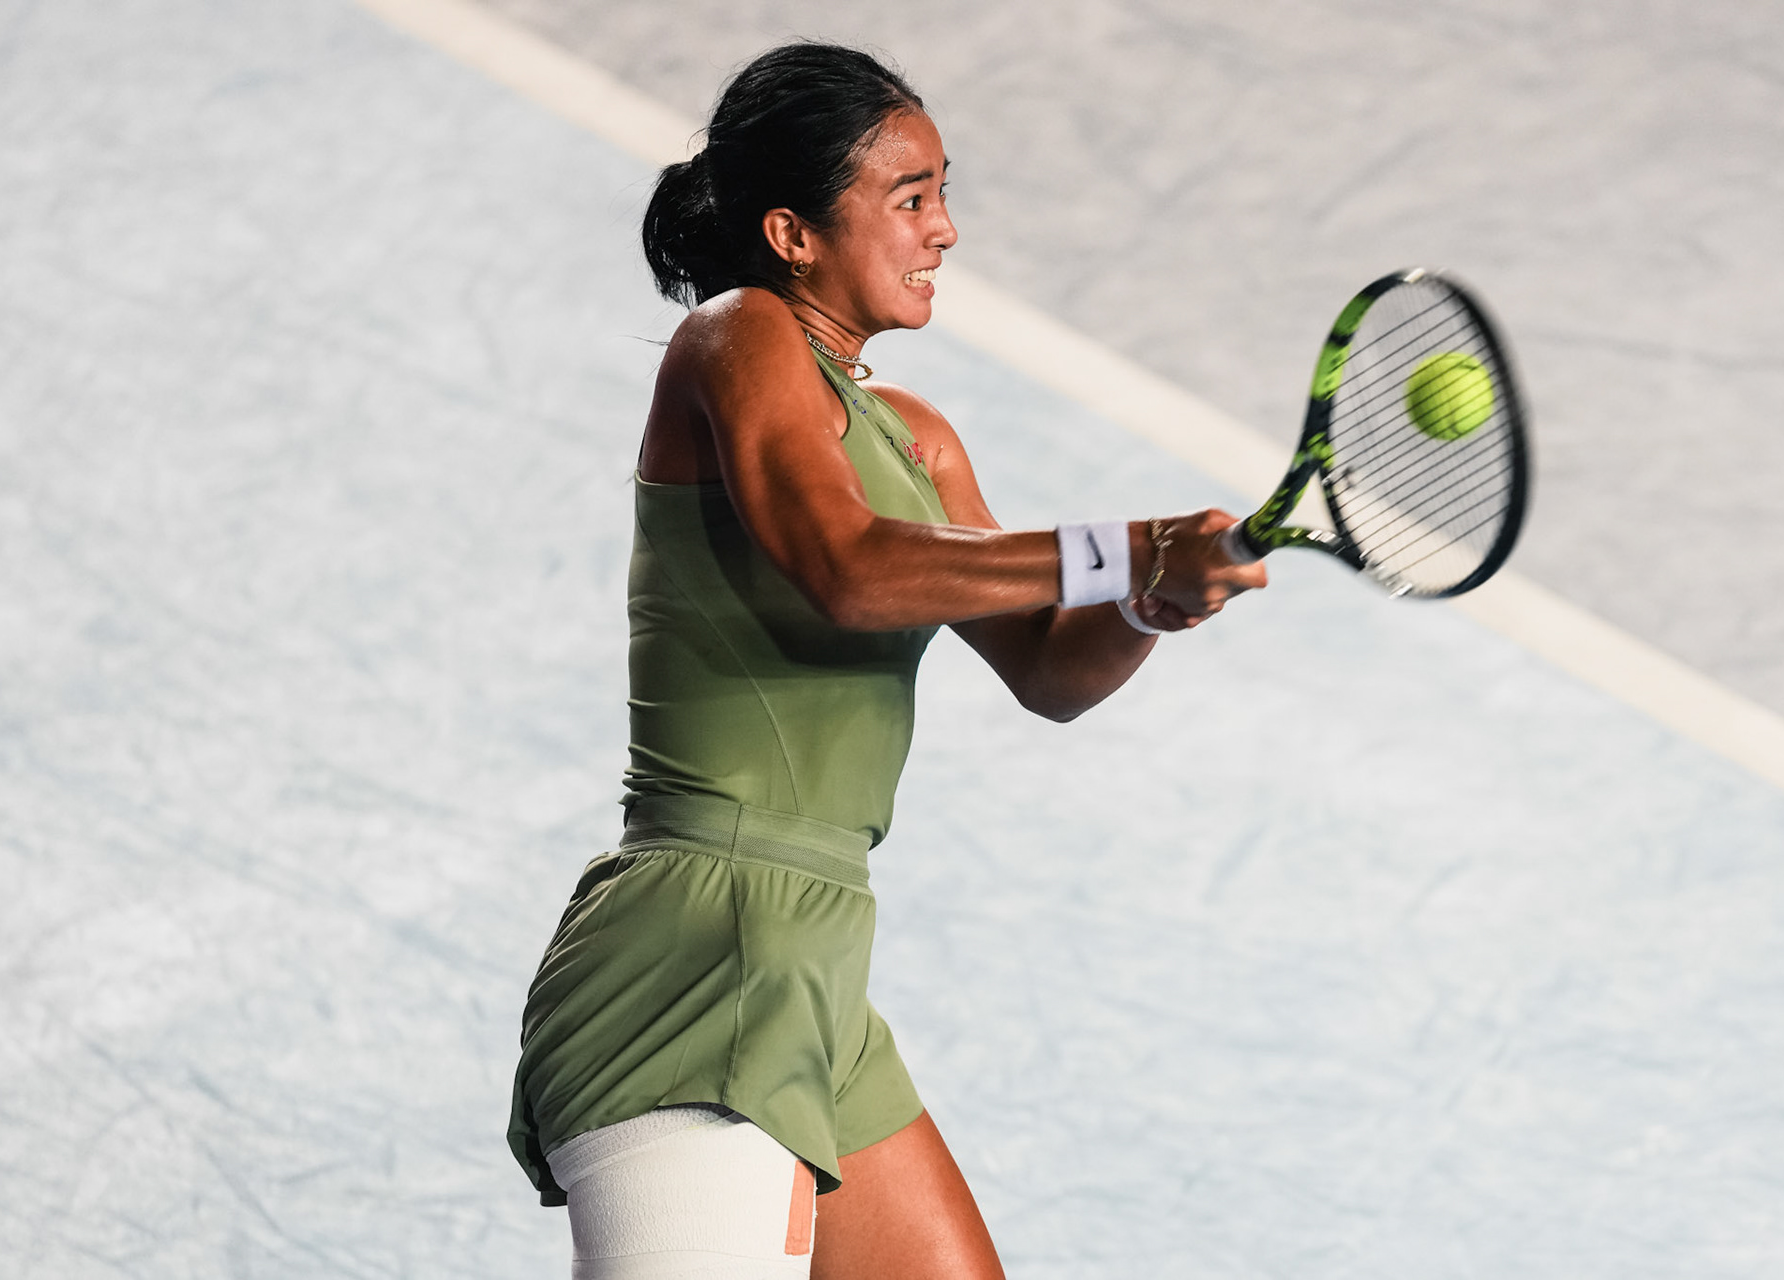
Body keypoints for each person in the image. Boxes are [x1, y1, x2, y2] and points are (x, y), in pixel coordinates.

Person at [507, 41, 1266, 1280]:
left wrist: (1145, 605)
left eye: (944, 193)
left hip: (812, 969)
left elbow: (1048, 672)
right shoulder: (736, 333)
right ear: (794, 233)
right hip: (698, 941)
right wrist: (1128, 549)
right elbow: (845, 563)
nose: (946, 229)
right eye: (910, 198)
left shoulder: (917, 438)